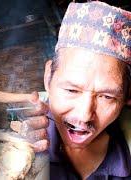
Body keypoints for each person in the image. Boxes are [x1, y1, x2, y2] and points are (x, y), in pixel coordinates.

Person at [42, 1, 130, 179]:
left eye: (106, 96)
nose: (83, 116)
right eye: (71, 91)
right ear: (48, 79)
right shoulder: (20, 146)